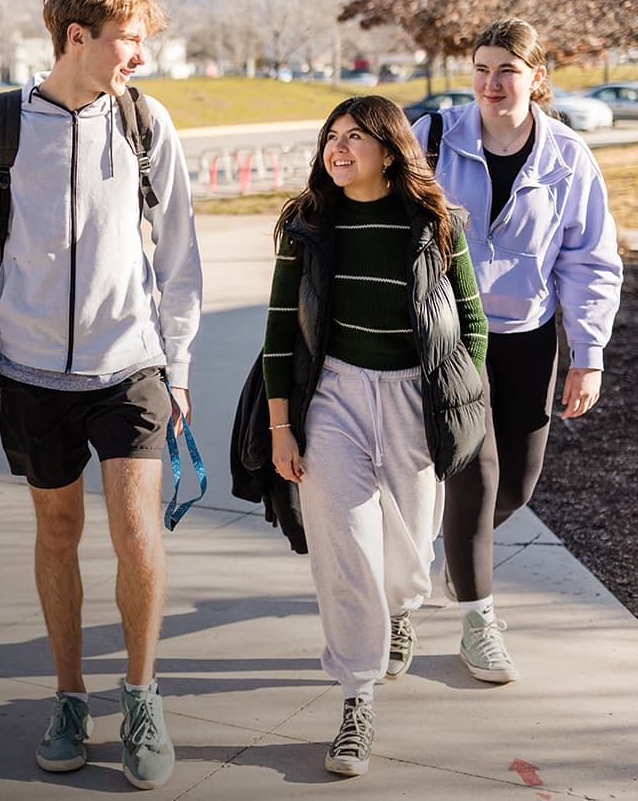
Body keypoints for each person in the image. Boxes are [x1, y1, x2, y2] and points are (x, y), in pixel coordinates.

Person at [0, 0, 201, 790]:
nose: (141, 57)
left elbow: (182, 261)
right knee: (57, 534)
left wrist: (181, 367)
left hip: (130, 368)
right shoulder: (0, 129)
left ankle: (142, 696)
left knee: (137, 533)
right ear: (76, 37)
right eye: (130, 41)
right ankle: (67, 697)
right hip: (28, 377)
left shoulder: (146, 122)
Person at [262, 95, 492, 777]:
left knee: (407, 560)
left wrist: (453, 394)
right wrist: (283, 428)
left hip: (411, 402)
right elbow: (279, 333)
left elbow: (473, 325)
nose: (338, 148)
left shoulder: (436, 224)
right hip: (333, 397)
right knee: (348, 554)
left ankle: (401, 612)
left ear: (390, 151)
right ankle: (356, 697)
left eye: (355, 137)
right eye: (331, 136)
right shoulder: (308, 225)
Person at [415, 19, 623, 684]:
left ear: (538, 78)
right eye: (480, 68)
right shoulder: (436, 138)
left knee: (516, 484)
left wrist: (587, 351)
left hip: (530, 335)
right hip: (452, 338)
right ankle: (480, 624)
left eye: (507, 69)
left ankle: (451, 553)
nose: (491, 83)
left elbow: (591, 260)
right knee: (475, 474)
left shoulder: (567, 156)